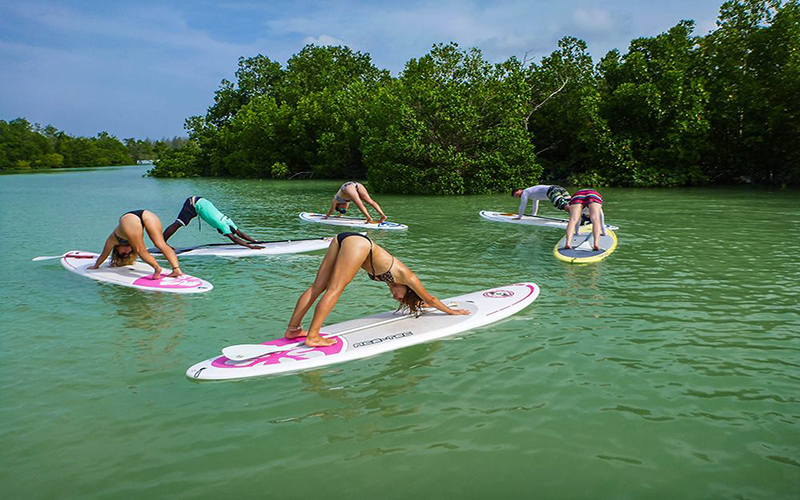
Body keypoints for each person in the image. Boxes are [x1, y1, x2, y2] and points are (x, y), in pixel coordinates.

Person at [284, 232, 470, 347]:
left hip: (343, 239)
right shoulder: (408, 277)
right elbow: (431, 299)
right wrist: (452, 311)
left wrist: (421, 305)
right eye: (401, 298)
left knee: (319, 287)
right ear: (408, 289)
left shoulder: (394, 282)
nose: (396, 298)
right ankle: (313, 336)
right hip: (359, 243)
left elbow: (425, 302)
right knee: (334, 289)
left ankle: (293, 330)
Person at [88, 210, 182, 279]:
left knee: (141, 249)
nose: (127, 252)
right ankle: (176, 269)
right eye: (128, 253)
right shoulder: (129, 241)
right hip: (147, 214)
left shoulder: (112, 240)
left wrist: (96, 266)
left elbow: (104, 255)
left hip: (129, 219)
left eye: (123, 253)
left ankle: (157, 268)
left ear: (116, 250)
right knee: (160, 244)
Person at [162, 196, 263, 249]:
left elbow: (240, 233)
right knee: (179, 223)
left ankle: (162, 241)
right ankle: (162, 242)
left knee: (182, 223)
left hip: (200, 201)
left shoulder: (228, 220)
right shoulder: (223, 225)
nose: (222, 234)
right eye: (224, 233)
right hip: (193, 204)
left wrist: (255, 241)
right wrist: (250, 246)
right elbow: (234, 238)